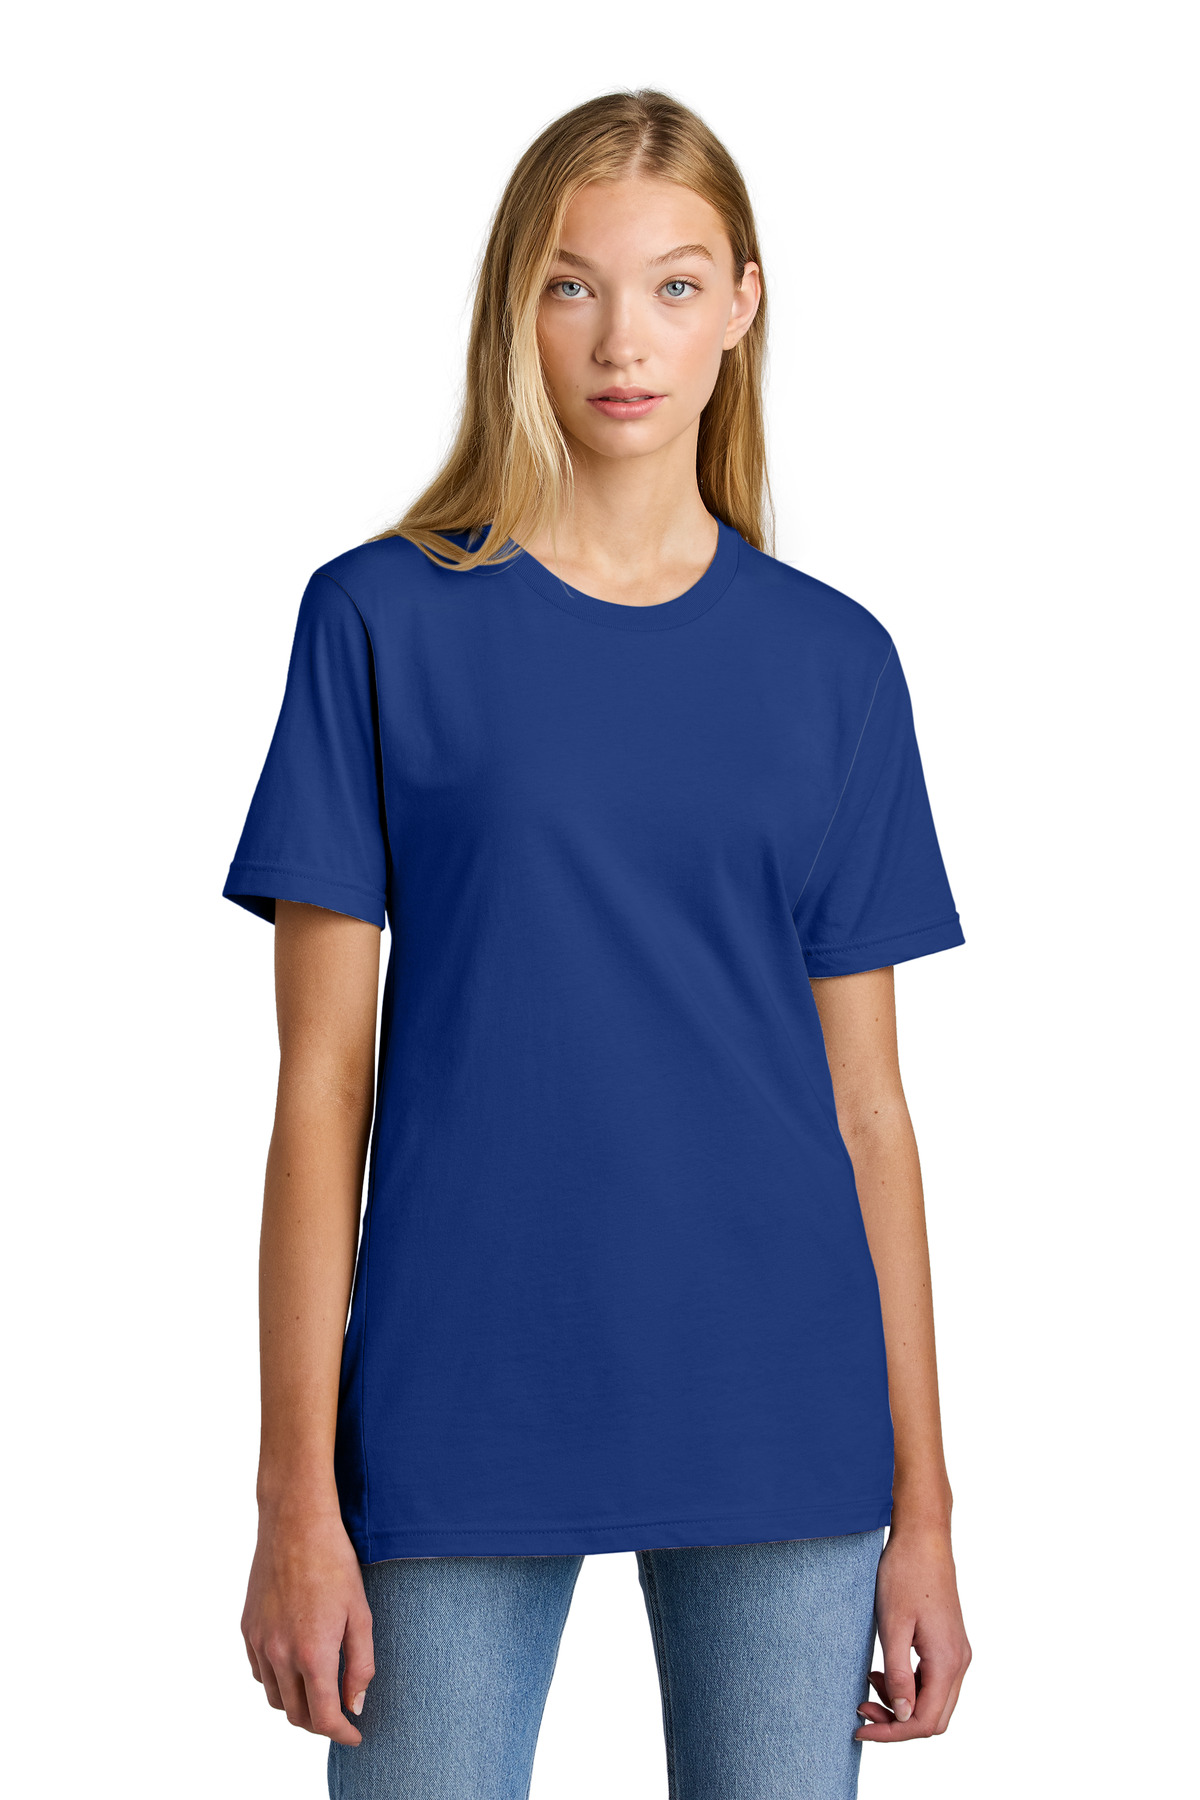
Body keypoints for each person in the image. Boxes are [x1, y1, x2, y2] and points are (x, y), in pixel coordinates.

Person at [222, 88, 972, 1800]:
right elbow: (321, 1091)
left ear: (743, 307)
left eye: (675, 286)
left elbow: (870, 1115)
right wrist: (292, 1496)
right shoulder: (377, 620)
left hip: (779, 1402)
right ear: (517, 306)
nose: (625, 340)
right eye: (573, 285)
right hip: (454, 1400)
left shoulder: (835, 663)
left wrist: (926, 1510)